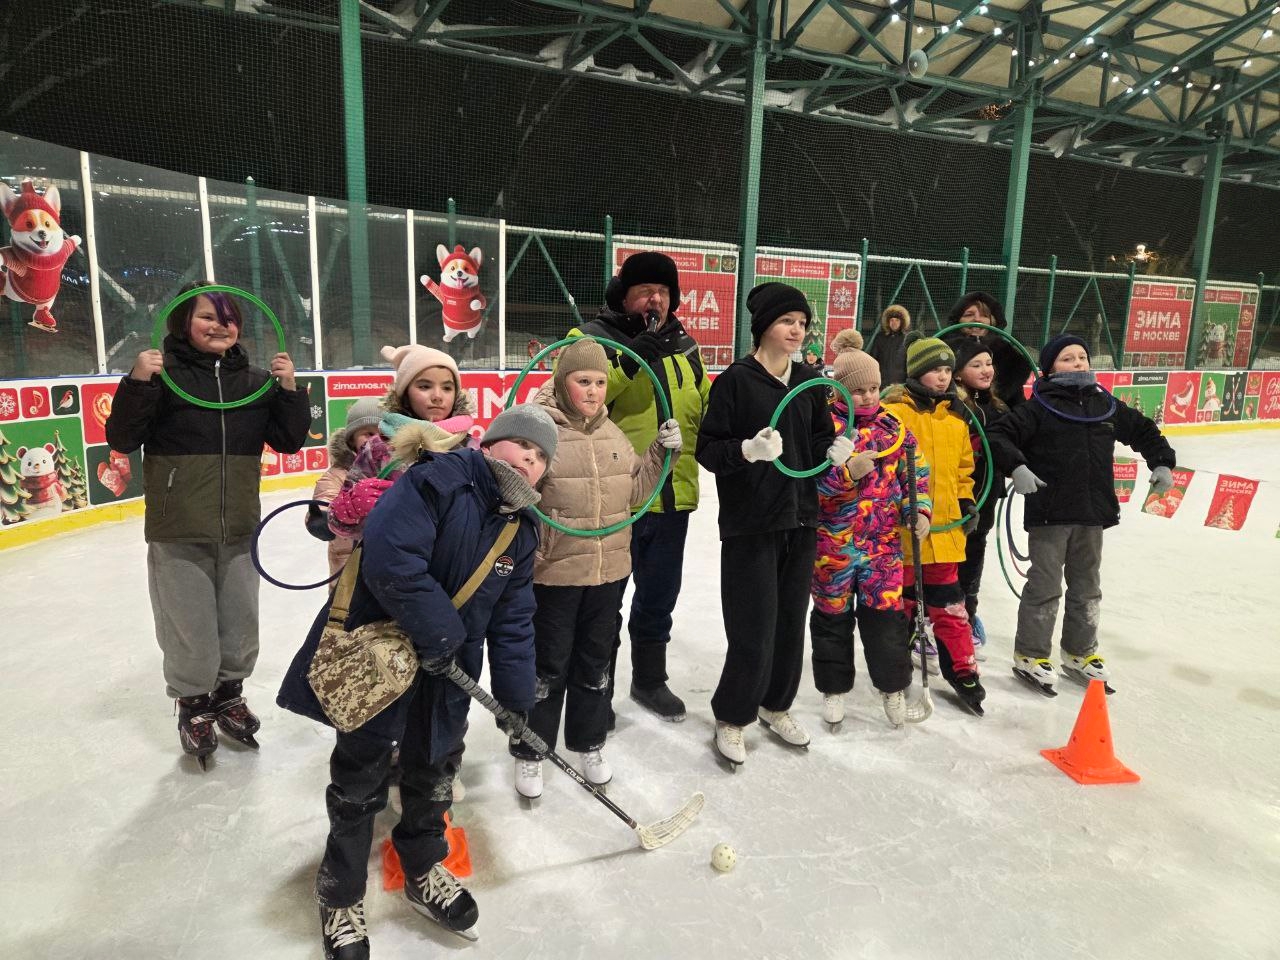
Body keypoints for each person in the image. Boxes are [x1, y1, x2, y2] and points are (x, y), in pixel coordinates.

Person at [276, 404, 558, 958]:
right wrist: (442, 632)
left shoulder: (522, 530)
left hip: (448, 674)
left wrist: (518, 704)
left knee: (434, 773)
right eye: (521, 443)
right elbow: (393, 554)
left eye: (543, 455)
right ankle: (340, 894)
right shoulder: (440, 478)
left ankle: (423, 864)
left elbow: (515, 618)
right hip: (383, 657)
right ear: (489, 442)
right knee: (360, 782)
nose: (530, 457)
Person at [103, 281, 310, 764]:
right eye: (207, 317)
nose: (220, 326)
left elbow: (289, 441)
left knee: (239, 620)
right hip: (179, 527)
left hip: (239, 524)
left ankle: (229, 695)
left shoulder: (254, 381)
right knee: (189, 625)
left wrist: (288, 390)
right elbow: (122, 435)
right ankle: (194, 703)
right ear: (182, 322)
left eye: (229, 317)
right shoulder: (162, 376)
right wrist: (136, 381)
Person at [510, 337, 681, 799]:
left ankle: (588, 740)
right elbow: (515, 488)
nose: (592, 390)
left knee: (594, 663)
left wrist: (662, 456)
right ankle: (531, 749)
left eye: (600, 382)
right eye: (582, 380)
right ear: (562, 382)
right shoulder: (539, 429)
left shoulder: (613, 435)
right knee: (548, 666)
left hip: (608, 573)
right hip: (557, 574)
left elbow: (636, 496)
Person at [696, 282, 844, 766]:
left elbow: (820, 438)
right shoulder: (736, 381)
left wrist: (832, 453)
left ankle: (775, 704)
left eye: (802, 323)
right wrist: (747, 450)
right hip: (752, 522)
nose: (797, 330)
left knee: (787, 623)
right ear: (764, 328)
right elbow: (709, 449)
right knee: (753, 626)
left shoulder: (808, 382)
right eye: (787, 321)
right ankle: (732, 716)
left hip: (801, 518)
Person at [985, 335, 1175, 695]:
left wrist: (1162, 462)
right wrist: (1017, 467)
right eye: (1067, 359)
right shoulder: (1038, 406)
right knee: (1044, 585)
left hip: (1092, 512)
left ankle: (1079, 652)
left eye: (1082, 357)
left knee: (1087, 587)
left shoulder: (1102, 403)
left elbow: (1143, 430)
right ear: (1050, 367)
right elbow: (998, 435)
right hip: (1050, 513)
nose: (1078, 364)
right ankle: (1031, 653)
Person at [569, 252, 710, 722]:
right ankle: (596, 693)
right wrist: (636, 356)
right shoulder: (590, 339)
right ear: (624, 296)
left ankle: (650, 680)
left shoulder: (687, 348)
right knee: (603, 604)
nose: (655, 299)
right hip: (612, 497)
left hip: (674, 497)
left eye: (664, 292)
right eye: (646, 290)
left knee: (658, 599)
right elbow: (579, 402)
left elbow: (703, 410)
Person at [809, 330, 932, 728]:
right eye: (858, 390)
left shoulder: (894, 429)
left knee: (886, 622)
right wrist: (845, 474)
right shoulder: (824, 428)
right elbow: (809, 486)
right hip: (834, 548)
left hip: (882, 549)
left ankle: (893, 688)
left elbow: (917, 476)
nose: (867, 396)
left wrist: (919, 510)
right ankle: (833, 688)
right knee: (832, 619)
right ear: (839, 390)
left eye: (875, 388)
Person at [882, 337, 986, 713]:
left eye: (947, 370)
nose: (943, 378)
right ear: (915, 372)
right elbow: (885, 470)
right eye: (934, 370)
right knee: (901, 607)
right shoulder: (894, 413)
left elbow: (963, 470)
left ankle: (962, 669)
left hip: (944, 534)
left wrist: (966, 501)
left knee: (951, 608)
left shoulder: (956, 418)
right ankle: (894, 669)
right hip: (904, 534)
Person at [326, 344, 476, 543]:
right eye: (424, 386)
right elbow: (339, 524)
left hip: (455, 570)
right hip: (393, 564)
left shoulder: (472, 449)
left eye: (447, 387)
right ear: (405, 393)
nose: (438, 396)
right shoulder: (378, 448)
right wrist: (351, 507)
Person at [951, 337, 1009, 655]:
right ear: (958, 373)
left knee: (975, 556)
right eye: (976, 364)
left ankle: (967, 613)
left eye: (988, 363)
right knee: (950, 558)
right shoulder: (956, 407)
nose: (986, 370)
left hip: (986, 497)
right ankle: (938, 617)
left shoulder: (996, 407)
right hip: (958, 497)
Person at [306, 397, 382, 578]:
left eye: (382, 434)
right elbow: (326, 496)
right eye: (368, 434)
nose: (376, 440)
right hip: (347, 569)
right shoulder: (338, 474)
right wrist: (322, 515)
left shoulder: (394, 470)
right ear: (351, 440)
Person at [941, 292, 1034, 410]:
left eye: (984, 315)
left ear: (992, 321)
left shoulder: (1009, 357)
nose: (977, 319)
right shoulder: (943, 349)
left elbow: (1017, 407)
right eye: (969, 314)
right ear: (958, 320)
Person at [867, 304, 913, 386]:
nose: (894, 323)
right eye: (892, 320)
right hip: (881, 382)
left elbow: (911, 363)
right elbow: (873, 358)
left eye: (897, 320)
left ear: (902, 322)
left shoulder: (907, 339)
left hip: (900, 383)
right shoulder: (880, 337)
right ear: (888, 322)